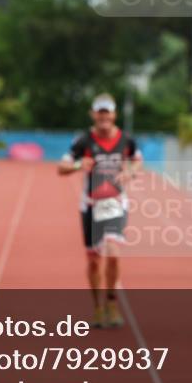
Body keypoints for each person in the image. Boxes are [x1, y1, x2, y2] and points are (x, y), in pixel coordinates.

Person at [58, 93, 142, 328]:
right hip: (90, 206)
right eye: (100, 112)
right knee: (94, 260)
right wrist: (77, 165)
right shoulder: (83, 141)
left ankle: (112, 302)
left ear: (114, 114)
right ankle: (97, 307)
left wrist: (131, 172)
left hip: (115, 203)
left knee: (113, 252)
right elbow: (61, 167)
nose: (104, 116)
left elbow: (137, 159)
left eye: (108, 112)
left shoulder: (126, 140)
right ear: (93, 114)